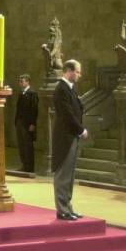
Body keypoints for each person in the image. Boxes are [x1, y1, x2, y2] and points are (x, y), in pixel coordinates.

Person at [51, 59, 87, 221]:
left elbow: (77, 109)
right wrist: (81, 130)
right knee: (63, 174)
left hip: (71, 136)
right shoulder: (61, 89)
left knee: (70, 175)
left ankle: (68, 206)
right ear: (69, 71)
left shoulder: (70, 89)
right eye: (78, 71)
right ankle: (62, 209)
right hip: (64, 137)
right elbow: (67, 114)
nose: (80, 75)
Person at [14, 74, 39, 173]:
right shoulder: (22, 93)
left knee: (28, 145)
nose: (20, 83)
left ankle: (29, 166)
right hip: (20, 122)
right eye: (19, 81)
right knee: (21, 144)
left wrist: (32, 124)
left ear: (28, 82)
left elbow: (34, 110)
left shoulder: (32, 94)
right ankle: (24, 164)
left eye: (22, 81)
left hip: (28, 124)